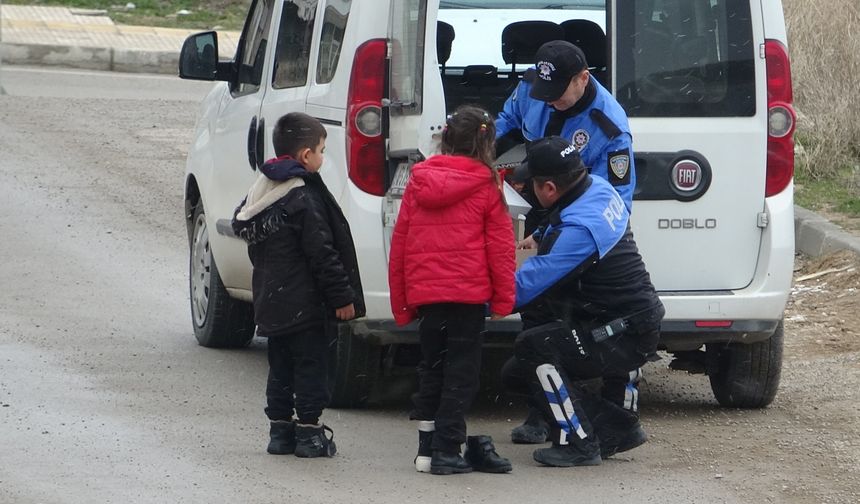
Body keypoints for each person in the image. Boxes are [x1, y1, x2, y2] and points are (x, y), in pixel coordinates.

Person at [503, 136, 664, 467]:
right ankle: (618, 428)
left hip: (622, 332)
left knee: (533, 347)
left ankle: (580, 443)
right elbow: (563, 217)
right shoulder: (599, 188)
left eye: (532, 183)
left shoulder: (580, 232)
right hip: (632, 319)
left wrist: (475, 297)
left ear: (548, 188)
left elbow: (523, 289)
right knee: (514, 374)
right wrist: (541, 234)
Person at [388, 105, 516, 475]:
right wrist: (504, 299)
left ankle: (426, 450)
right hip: (467, 296)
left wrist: (402, 301)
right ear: (486, 142)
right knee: (461, 373)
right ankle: (447, 450)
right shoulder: (488, 185)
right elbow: (500, 247)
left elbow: (402, 242)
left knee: (432, 368)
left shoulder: (419, 180)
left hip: (428, 296)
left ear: (445, 139)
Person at [231, 112, 365, 459]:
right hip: (306, 304)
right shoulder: (303, 197)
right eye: (321, 150)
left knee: (280, 368)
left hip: (272, 300)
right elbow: (322, 254)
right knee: (310, 367)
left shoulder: (261, 190)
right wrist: (342, 296)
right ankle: (308, 434)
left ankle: (279, 432)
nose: (323, 157)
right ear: (306, 156)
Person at [496, 40, 636, 215]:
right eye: (545, 91)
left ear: (583, 79)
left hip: (575, 211)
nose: (549, 100)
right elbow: (506, 121)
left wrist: (563, 230)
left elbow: (614, 202)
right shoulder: (531, 83)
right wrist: (477, 151)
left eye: (557, 92)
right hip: (531, 195)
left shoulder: (609, 129)